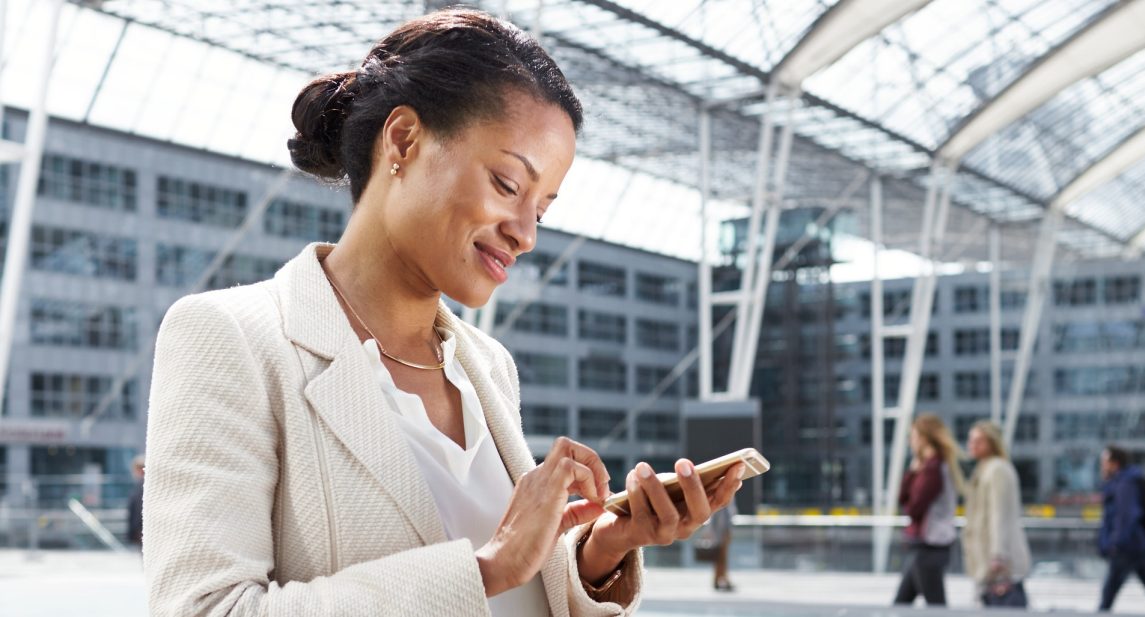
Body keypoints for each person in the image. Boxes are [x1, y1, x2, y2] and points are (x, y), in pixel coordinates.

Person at [142, 9, 745, 617]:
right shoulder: (231, 338)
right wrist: (485, 568)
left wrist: (598, 555)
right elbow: (204, 609)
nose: (526, 234)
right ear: (403, 141)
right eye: (508, 185)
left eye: (544, 208)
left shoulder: (485, 366)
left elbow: (519, 590)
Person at [892, 414, 964, 607]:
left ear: (924, 438)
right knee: (901, 604)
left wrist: (915, 473)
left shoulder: (933, 469)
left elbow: (914, 508)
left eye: (913, 436)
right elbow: (903, 500)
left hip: (930, 547)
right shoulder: (930, 466)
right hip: (926, 546)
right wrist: (913, 471)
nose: (910, 441)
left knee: (934, 606)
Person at [962, 420, 1031, 608]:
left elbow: (999, 514)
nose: (972, 445)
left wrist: (998, 555)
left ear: (992, 443)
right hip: (988, 556)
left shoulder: (997, 470)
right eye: (971, 440)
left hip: (997, 559)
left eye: (979, 441)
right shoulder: (984, 469)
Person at [1098, 445, 1145, 614]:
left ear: (1115, 463)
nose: (1102, 465)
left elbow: (1126, 517)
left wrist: (1115, 543)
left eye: (1104, 462)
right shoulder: (1125, 481)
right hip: (1140, 545)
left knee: (1108, 595)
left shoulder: (1125, 484)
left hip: (1129, 547)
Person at [709, 501, 736, 591]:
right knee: (721, 558)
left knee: (720, 558)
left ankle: (719, 579)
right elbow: (723, 518)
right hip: (721, 533)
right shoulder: (724, 500)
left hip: (721, 532)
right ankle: (721, 579)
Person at [126, 454, 144, 548]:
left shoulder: (142, 486)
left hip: (142, 530)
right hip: (141, 530)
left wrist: (137, 529)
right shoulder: (140, 485)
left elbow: (138, 508)